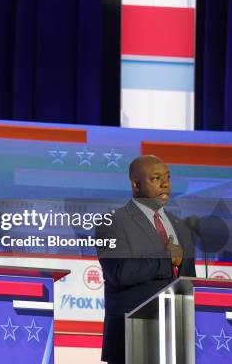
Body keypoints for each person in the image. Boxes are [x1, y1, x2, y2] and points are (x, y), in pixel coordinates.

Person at [96, 155, 195, 364]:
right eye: (156, 178)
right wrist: (166, 258)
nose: (165, 183)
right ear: (136, 184)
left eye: (167, 177)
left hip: (177, 336)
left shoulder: (181, 226)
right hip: (132, 335)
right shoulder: (112, 222)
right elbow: (119, 273)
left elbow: (189, 283)